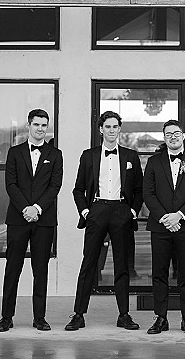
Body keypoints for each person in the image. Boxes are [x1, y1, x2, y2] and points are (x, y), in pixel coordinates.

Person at [65, 110, 143, 331]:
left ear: (120, 129)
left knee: (122, 265)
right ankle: (78, 314)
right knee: (88, 263)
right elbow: (78, 189)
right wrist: (86, 211)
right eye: (107, 127)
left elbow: (139, 189)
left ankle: (124, 315)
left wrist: (133, 211)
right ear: (101, 129)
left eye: (115, 127)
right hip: (97, 209)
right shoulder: (88, 155)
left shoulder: (131, 156)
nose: (111, 130)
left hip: (121, 210)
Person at [0, 109, 63, 332]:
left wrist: (37, 208)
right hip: (18, 218)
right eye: (37, 125)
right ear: (28, 126)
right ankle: (6, 317)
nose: (41, 129)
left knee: (40, 269)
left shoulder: (56, 155)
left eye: (44, 125)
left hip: (44, 220)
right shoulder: (14, 153)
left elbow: (55, 186)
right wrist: (26, 208)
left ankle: (39, 317)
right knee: (12, 268)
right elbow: (10, 185)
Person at [143, 119, 185, 336]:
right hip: (160, 227)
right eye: (168, 133)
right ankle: (160, 318)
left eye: (176, 133)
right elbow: (148, 194)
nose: (172, 137)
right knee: (159, 273)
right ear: (164, 137)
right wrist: (164, 217)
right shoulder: (153, 162)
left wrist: (178, 216)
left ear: (184, 136)